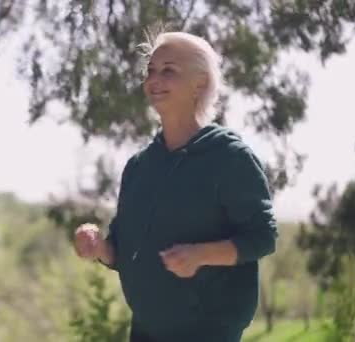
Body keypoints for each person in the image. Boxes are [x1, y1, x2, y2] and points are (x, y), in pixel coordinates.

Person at [74, 31, 278, 342]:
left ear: (200, 83)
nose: (154, 80)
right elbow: (124, 252)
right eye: (150, 71)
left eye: (168, 70)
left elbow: (263, 237)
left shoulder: (229, 157)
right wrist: (98, 246)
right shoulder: (139, 167)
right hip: (144, 332)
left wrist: (201, 254)